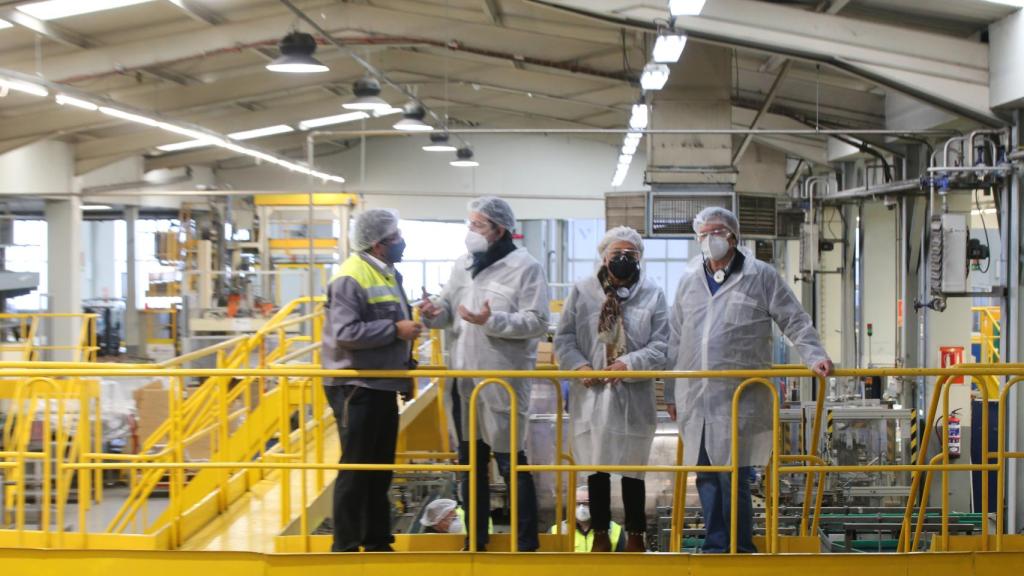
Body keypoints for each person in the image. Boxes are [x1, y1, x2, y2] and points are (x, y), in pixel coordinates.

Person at [665, 206, 833, 554]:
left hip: (738, 397)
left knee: (735, 476)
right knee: (706, 476)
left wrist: (814, 355)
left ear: (732, 235)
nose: (709, 240)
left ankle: (739, 547)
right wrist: (670, 390)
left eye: (716, 232)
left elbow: (794, 319)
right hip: (696, 395)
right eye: (704, 233)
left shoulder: (760, 276)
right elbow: (675, 339)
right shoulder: (688, 280)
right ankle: (714, 545)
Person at [419, 196, 549, 551]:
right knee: (470, 463)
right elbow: (448, 309)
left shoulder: (526, 267)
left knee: (511, 463)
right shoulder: (463, 264)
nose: (470, 232)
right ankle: (475, 540)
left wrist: (491, 321)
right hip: (463, 380)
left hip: (501, 381)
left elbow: (537, 321)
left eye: (478, 225)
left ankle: (526, 544)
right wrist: (433, 312)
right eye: (470, 224)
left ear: (500, 229)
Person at [554, 226, 668, 552]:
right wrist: (580, 367)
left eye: (630, 255)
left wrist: (629, 363)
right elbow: (564, 339)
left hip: (633, 392)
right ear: (604, 256)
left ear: (639, 259)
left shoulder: (653, 294)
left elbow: (662, 344)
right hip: (591, 393)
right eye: (616, 253)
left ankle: (636, 534)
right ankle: (600, 534)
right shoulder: (583, 291)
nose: (622, 259)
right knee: (596, 464)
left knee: (634, 468)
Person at [321, 209, 424, 553]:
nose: (402, 243)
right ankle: (346, 545)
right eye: (396, 237)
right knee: (356, 467)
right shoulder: (351, 277)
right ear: (378, 244)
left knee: (379, 468)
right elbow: (346, 333)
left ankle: (377, 539)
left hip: (383, 383)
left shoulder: (388, 273)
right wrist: (395, 329)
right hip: (356, 387)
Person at [550, 485, 627, 552]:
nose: (581, 508)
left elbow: (623, 563)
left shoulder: (615, 530)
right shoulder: (556, 531)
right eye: (577, 503)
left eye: (587, 503)